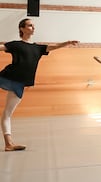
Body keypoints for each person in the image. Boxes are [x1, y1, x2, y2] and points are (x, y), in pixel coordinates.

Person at [0, 18, 79, 151]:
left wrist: (67, 43)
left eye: (33, 26)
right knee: (7, 113)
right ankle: (9, 143)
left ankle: (9, 144)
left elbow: (52, 47)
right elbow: (1, 47)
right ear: (22, 29)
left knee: (7, 113)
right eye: (30, 25)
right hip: (7, 76)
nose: (33, 28)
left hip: (19, 83)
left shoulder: (37, 48)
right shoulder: (16, 45)